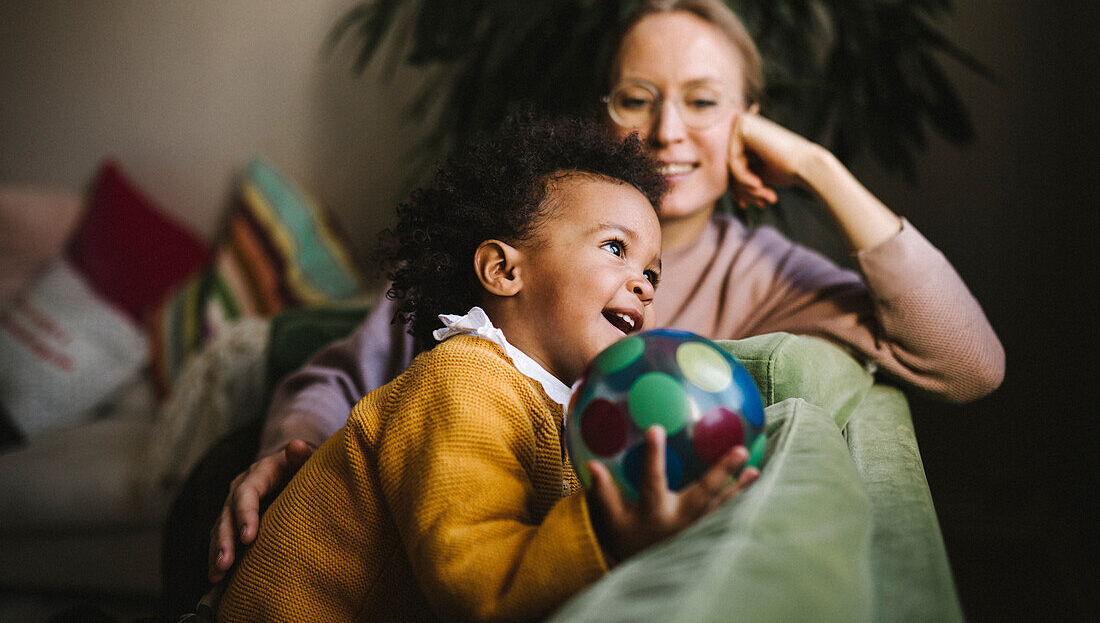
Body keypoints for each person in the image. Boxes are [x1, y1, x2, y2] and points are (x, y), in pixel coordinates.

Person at [205, 0, 1004, 587]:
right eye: (636, 97)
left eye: (704, 101)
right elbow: (341, 372)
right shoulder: (530, 241)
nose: (666, 130)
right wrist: (285, 447)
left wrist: (819, 168)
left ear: (748, 123)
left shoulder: (763, 272)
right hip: (365, 524)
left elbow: (970, 364)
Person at [213, 115, 759, 622]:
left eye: (653, 274)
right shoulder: (463, 379)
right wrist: (609, 531)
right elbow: (476, 583)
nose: (642, 283)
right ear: (502, 270)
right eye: (615, 248)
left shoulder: (564, 408)